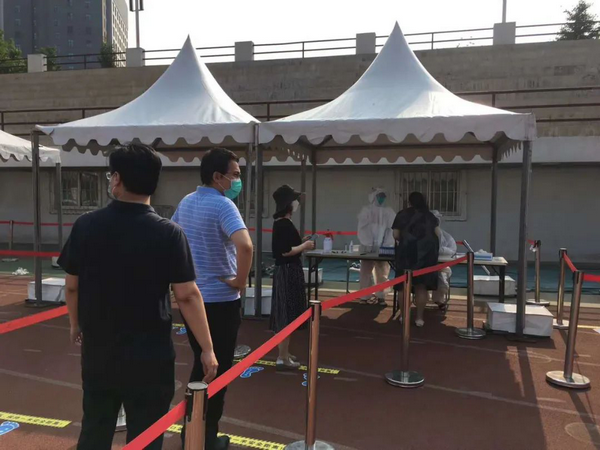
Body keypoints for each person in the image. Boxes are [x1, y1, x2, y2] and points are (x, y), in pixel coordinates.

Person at [59, 144, 218, 450]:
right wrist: (207, 349)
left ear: (117, 179)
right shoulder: (169, 233)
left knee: (95, 429)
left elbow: (72, 286)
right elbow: (187, 296)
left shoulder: (86, 225)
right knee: (146, 435)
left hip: (100, 352)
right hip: (150, 356)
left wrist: (75, 324)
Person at [172, 147, 253, 450]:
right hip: (220, 300)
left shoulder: (186, 201)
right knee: (215, 371)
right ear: (217, 176)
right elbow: (246, 246)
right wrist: (240, 281)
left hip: (192, 300)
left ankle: (193, 432)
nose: (238, 181)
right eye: (235, 175)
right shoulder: (223, 205)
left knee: (201, 363)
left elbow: (175, 237)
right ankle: (203, 437)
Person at [270, 185, 314, 369]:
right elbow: (285, 251)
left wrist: (301, 242)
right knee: (286, 314)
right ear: (288, 204)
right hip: (288, 271)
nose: (297, 203)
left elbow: (288, 246)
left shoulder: (282, 223)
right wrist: (304, 246)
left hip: (287, 271)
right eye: (294, 200)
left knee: (286, 313)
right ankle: (282, 356)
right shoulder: (284, 224)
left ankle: (285, 352)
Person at [392, 191, 441, 327]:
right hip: (425, 256)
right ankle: (419, 318)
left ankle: (404, 316)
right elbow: (438, 234)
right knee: (421, 286)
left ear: (409, 201)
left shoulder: (401, 214)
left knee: (403, 286)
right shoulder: (430, 216)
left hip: (406, 254)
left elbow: (395, 235)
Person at [357, 188, 396, 306]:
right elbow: (362, 229)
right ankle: (364, 296)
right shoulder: (366, 211)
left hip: (383, 248)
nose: (381, 198)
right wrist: (369, 243)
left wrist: (386, 245)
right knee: (365, 272)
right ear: (374, 197)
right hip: (367, 248)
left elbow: (390, 230)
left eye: (383, 196)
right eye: (379, 196)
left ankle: (381, 296)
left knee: (383, 272)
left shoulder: (389, 212)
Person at [431, 210, 457, 311]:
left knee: (441, 276)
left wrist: (439, 250)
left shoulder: (446, 236)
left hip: (440, 266)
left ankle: (439, 300)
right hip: (422, 266)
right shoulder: (419, 234)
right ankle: (422, 299)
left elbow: (452, 250)